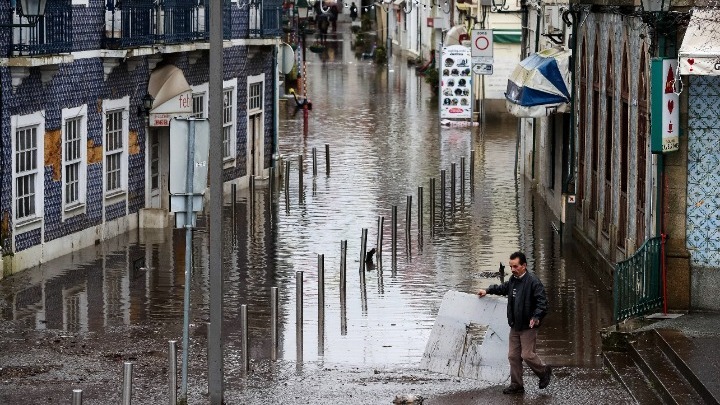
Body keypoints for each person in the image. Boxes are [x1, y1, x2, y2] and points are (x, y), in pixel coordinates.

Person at [477, 251, 552, 395]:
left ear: (524, 265)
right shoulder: (513, 280)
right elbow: (502, 288)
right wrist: (487, 290)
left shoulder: (533, 282)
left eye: (515, 266)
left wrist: (536, 317)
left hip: (528, 326)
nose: (512, 269)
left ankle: (544, 371)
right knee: (513, 356)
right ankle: (517, 385)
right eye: (511, 266)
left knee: (527, 355)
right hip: (515, 325)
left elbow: (542, 303)